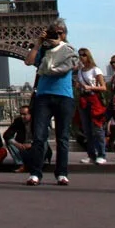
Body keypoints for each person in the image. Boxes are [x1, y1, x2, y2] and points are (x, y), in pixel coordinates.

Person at [24, 20, 78, 186]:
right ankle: (35, 173)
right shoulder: (43, 50)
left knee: (62, 137)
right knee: (39, 137)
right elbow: (28, 61)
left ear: (65, 35)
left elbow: (75, 66)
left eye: (60, 32)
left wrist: (59, 44)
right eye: (54, 32)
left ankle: (61, 173)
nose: (57, 34)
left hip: (64, 96)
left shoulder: (69, 50)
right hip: (44, 96)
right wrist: (38, 43)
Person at [76, 48, 108, 165]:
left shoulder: (96, 70)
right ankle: (91, 155)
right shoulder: (80, 71)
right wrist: (79, 87)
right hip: (84, 100)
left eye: (84, 55)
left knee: (97, 128)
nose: (81, 57)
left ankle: (101, 154)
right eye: (79, 55)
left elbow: (104, 87)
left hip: (94, 100)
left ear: (88, 56)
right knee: (87, 130)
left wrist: (90, 87)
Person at [3, 106, 33, 172]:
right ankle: (20, 164)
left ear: (30, 114)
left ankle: (36, 164)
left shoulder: (37, 122)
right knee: (9, 141)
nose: (22, 116)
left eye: (24, 114)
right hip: (22, 146)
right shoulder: (18, 121)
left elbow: (43, 137)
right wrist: (16, 144)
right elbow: (6, 135)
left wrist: (31, 144)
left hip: (34, 147)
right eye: (21, 114)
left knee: (43, 143)